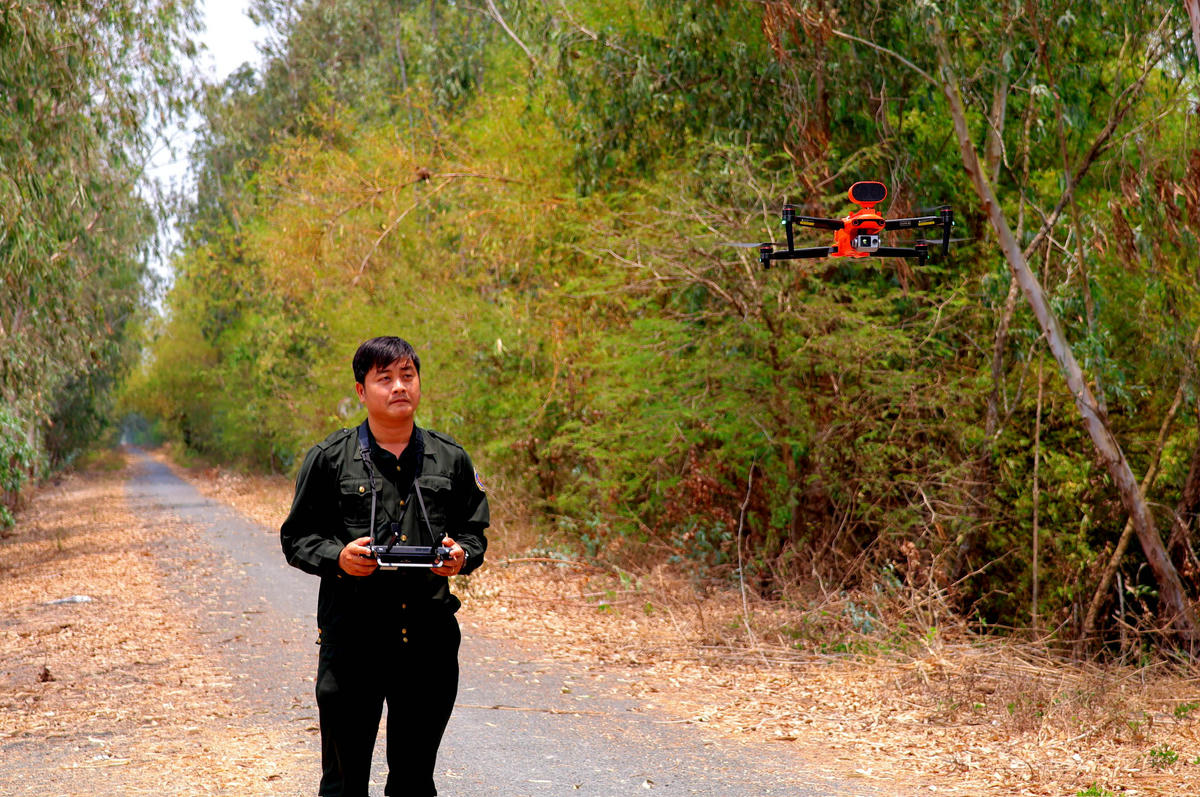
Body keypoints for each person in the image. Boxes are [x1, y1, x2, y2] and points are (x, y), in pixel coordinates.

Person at [281, 336, 489, 797]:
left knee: (414, 780)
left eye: (407, 376)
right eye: (385, 378)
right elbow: (296, 538)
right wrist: (338, 557)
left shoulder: (450, 459)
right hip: (352, 637)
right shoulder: (329, 459)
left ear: (419, 383)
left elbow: (474, 533)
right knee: (344, 782)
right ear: (361, 391)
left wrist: (460, 557)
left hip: (427, 641)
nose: (399, 387)